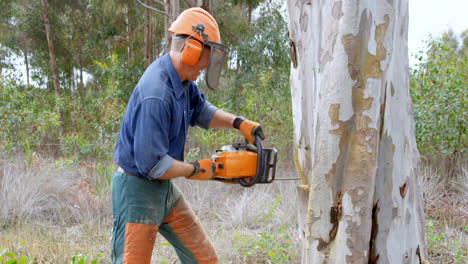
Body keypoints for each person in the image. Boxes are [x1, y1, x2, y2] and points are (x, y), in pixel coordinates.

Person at [110, 7, 264, 264]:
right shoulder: (156, 93)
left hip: (163, 189)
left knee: (204, 260)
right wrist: (196, 169)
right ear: (191, 50)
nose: (206, 66)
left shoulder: (182, 82)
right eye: (207, 57)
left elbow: (201, 111)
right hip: (136, 190)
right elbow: (153, 165)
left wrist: (238, 123)